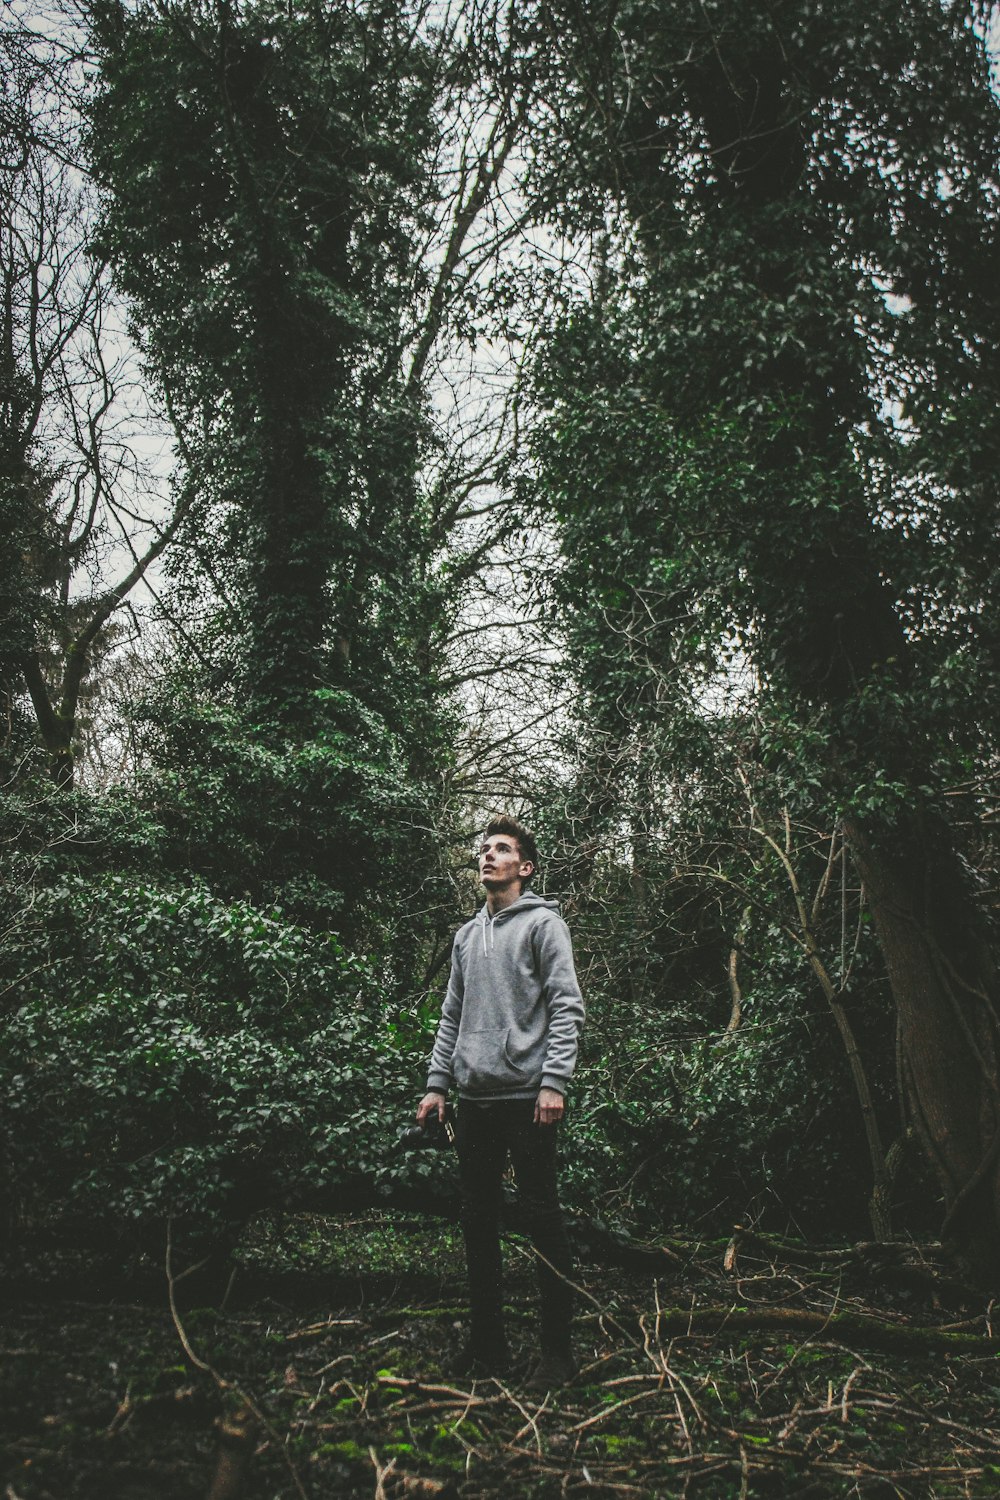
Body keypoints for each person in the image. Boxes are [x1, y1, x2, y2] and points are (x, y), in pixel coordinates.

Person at [416, 815, 585, 1388]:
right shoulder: (466, 936)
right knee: (478, 1222)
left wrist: (554, 1081)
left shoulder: (543, 926)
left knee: (542, 1217)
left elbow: (567, 1007)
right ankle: (488, 1345)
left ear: (524, 866)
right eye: (484, 848)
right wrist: (438, 1085)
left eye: (502, 849)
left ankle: (557, 1354)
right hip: (475, 1097)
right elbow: (452, 1016)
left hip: (528, 1097)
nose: (487, 856)